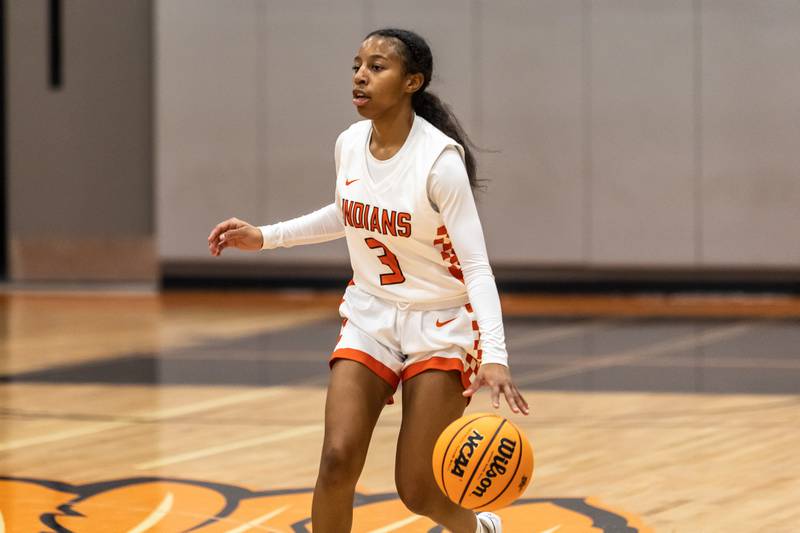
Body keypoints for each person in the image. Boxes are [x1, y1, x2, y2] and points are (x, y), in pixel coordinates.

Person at [207, 28, 529, 533]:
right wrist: (264, 236)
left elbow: (477, 268)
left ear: (411, 82)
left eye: (378, 67)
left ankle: (478, 529)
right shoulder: (350, 143)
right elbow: (347, 213)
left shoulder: (440, 162)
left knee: (419, 488)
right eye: (357, 64)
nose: (361, 75)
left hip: (440, 323)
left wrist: (495, 356)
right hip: (370, 315)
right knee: (336, 459)